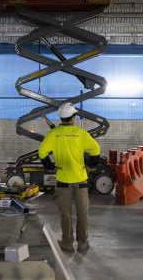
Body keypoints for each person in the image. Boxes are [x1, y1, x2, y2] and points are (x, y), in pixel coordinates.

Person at [38, 102, 101, 254]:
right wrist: (90, 165)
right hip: (81, 180)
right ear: (73, 117)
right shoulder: (81, 133)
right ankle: (83, 243)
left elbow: (42, 153)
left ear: (61, 118)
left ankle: (67, 243)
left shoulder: (53, 134)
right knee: (82, 213)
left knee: (65, 213)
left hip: (63, 181)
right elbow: (96, 149)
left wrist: (50, 167)